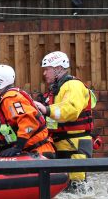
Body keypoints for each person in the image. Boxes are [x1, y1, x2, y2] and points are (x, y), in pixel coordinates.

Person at [35, 51, 96, 186]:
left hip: (74, 145)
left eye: (47, 69)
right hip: (61, 143)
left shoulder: (73, 85)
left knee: (77, 186)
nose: (44, 73)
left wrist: (46, 109)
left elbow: (71, 109)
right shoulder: (56, 89)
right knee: (64, 187)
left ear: (58, 68)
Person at [0, 64, 54, 157]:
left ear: (0, 82)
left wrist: (18, 146)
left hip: (38, 152)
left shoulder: (11, 98)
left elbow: (28, 122)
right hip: (30, 152)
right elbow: (2, 127)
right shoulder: (3, 99)